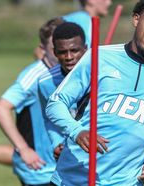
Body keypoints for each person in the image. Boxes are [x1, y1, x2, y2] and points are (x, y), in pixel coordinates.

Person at [46, 0, 144, 185]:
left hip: (127, 181)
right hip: (73, 178)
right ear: (136, 19)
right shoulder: (99, 57)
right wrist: (76, 131)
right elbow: (56, 103)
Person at [0, 17, 64, 186]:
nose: (61, 54)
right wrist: (23, 149)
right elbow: (1, 109)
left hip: (62, 168)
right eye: (54, 48)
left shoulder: (70, 72)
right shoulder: (35, 75)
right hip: (40, 171)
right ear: (43, 50)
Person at [38, 22, 87, 160]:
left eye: (75, 50)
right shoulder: (45, 82)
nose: (69, 57)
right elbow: (49, 119)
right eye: (62, 52)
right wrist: (57, 143)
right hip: (72, 155)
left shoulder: (102, 76)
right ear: (54, 52)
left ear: (85, 49)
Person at [34, 0, 112, 60]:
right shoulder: (84, 20)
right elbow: (84, 56)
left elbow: (39, 50)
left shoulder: (76, 17)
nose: (109, 3)